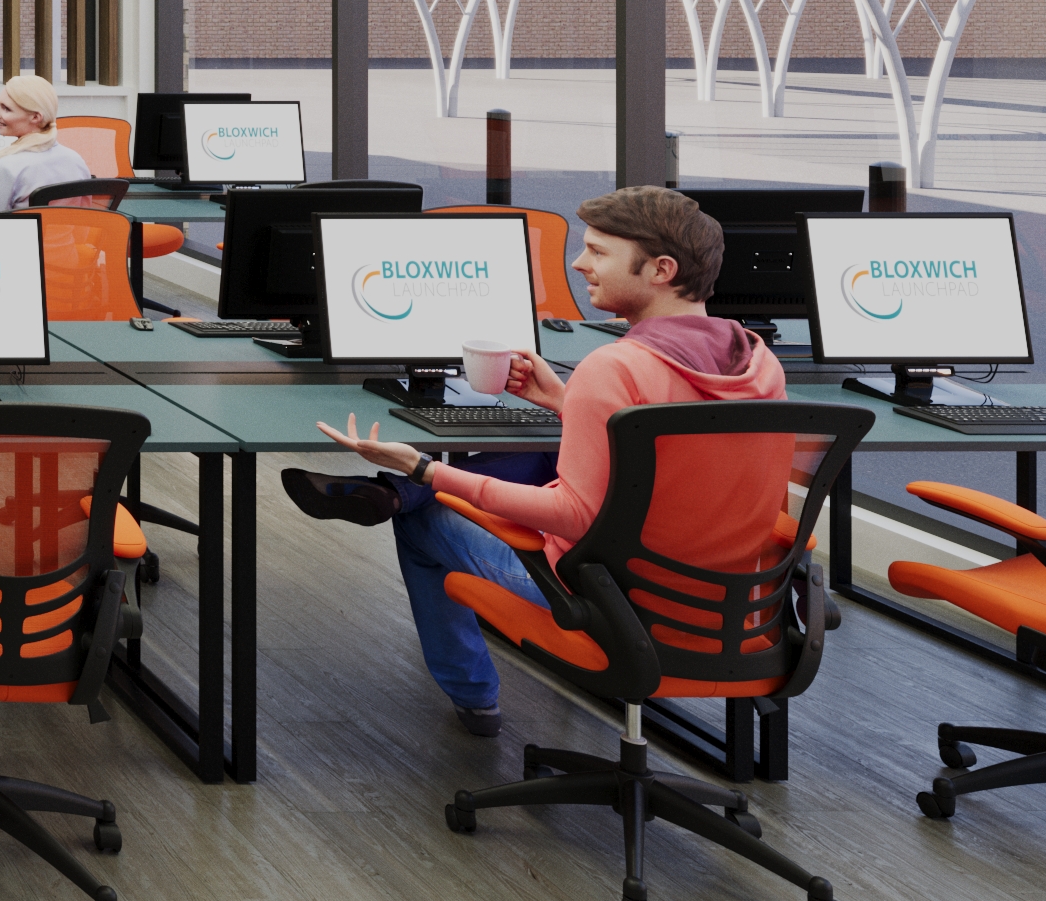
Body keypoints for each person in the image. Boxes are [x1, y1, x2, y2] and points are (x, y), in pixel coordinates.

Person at [281, 186, 784, 736]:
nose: (579, 262)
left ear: (660, 269)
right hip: (730, 603)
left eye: (598, 252)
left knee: (423, 520)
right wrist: (566, 403)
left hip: (614, 599)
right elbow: (673, 457)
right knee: (540, 453)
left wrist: (425, 470)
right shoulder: (757, 362)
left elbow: (571, 514)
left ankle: (475, 697)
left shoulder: (615, 366)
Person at [0, 72, 100, 213]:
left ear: (35, 117)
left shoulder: (7, 167)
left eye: (6, 108)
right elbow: (86, 219)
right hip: (70, 236)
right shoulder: (76, 160)